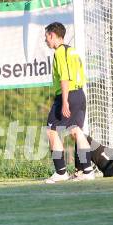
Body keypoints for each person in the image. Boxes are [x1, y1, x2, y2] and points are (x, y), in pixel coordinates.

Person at [44, 22, 95, 183]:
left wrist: (65, 101)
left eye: (46, 37)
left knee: (51, 130)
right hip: (80, 94)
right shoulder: (72, 51)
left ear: (52, 35)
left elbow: (65, 77)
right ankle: (87, 171)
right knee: (76, 131)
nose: (45, 41)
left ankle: (60, 172)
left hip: (67, 95)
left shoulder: (60, 52)